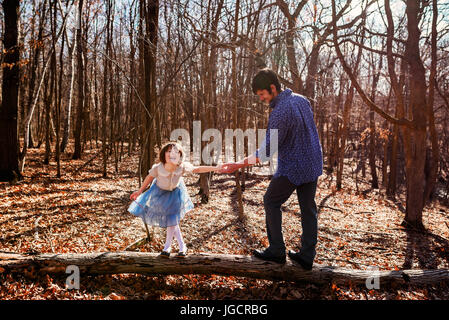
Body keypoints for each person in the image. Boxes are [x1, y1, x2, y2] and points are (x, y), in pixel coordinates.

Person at [220, 68, 323, 270]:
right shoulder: (302, 100)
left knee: (271, 200)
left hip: (295, 166)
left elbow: (265, 152)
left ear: (273, 88)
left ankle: (276, 250)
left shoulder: (280, 112)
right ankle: (307, 255)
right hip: (313, 162)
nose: (261, 99)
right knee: (308, 208)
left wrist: (237, 164)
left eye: (262, 94)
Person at [129, 141, 221, 257]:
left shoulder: (181, 167)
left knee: (172, 219)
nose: (171, 154)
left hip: (175, 194)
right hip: (160, 194)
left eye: (175, 152)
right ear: (164, 154)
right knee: (172, 221)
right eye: (168, 151)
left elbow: (197, 169)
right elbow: (149, 178)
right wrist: (139, 191)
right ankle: (182, 246)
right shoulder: (158, 167)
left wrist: (214, 168)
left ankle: (167, 247)